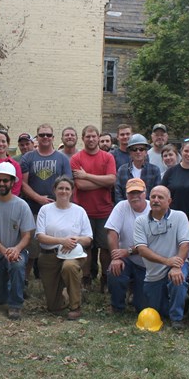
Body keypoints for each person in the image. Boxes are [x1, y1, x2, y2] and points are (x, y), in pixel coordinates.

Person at [0, 162, 35, 320]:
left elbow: (27, 236)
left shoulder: (22, 206)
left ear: (13, 182)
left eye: (6, 180)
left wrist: (16, 250)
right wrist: (5, 252)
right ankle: (11, 288)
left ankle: (15, 305)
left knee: (17, 264)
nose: (2, 184)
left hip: (16, 253)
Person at [21, 124, 73, 290]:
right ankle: (23, 281)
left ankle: (56, 283)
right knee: (31, 249)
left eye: (48, 135)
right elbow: (22, 183)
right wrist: (38, 198)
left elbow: (67, 184)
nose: (45, 138)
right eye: (42, 135)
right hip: (33, 209)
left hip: (58, 211)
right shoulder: (28, 158)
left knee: (56, 247)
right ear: (37, 137)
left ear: (53, 137)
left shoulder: (62, 158)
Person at [133, 186, 189, 330]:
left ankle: (177, 318)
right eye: (153, 197)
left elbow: (185, 244)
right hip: (154, 273)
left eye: (160, 197)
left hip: (177, 264)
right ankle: (182, 302)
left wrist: (176, 266)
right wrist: (167, 261)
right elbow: (142, 250)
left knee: (177, 280)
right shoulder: (140, 221)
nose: (156, 200)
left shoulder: (180, 216)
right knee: (155, 310)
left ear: (169, 201)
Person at [35, 176, 93, 320]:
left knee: (69, 267)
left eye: (67, 188)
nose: (64, 191)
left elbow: (88, 238)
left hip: (73, 254)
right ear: (54, 190)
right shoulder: (45, 210)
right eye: (60, 188)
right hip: (49, 255)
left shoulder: (79, 211)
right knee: (53, 307)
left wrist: (76, 239)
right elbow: (40, 236)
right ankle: (68, 292)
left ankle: (75, 305)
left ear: (72, 192)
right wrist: (62, 241)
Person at [71, 125, 117, 291]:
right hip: (83, 211)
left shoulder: (107, 157)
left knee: (105, 247)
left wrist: (87, 175)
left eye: (93, 136)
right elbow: (80, 185)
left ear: (98, 138)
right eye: (87, 136)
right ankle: (86, 278)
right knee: (86, 246)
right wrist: (101, 181)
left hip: (104, 210)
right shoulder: (76, 158)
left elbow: (111, 180)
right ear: (83, 138)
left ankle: (105, 278)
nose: (91, 139)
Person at [106, 178, 150, 314]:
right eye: (131, 193)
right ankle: (116, 306)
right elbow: (112, 232)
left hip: (147, 263)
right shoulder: (121, 206)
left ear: (145, 193)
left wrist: (129, 251)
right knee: (114, 269)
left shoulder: (153, 209)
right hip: (126, 259)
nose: (135, 196)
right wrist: (115, 257)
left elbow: (151, 242)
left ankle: (135, 294)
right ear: (126, 195)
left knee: (142, 308)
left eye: (138, 192)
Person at [114, 133, 161, 204]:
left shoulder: (154, 170)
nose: (138, 152)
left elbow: (157, 193)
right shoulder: (122, 170)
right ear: (130, 152)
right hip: (127, 210)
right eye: (134, 149)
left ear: (146, 152)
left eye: (141, 149)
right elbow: (118, 194)